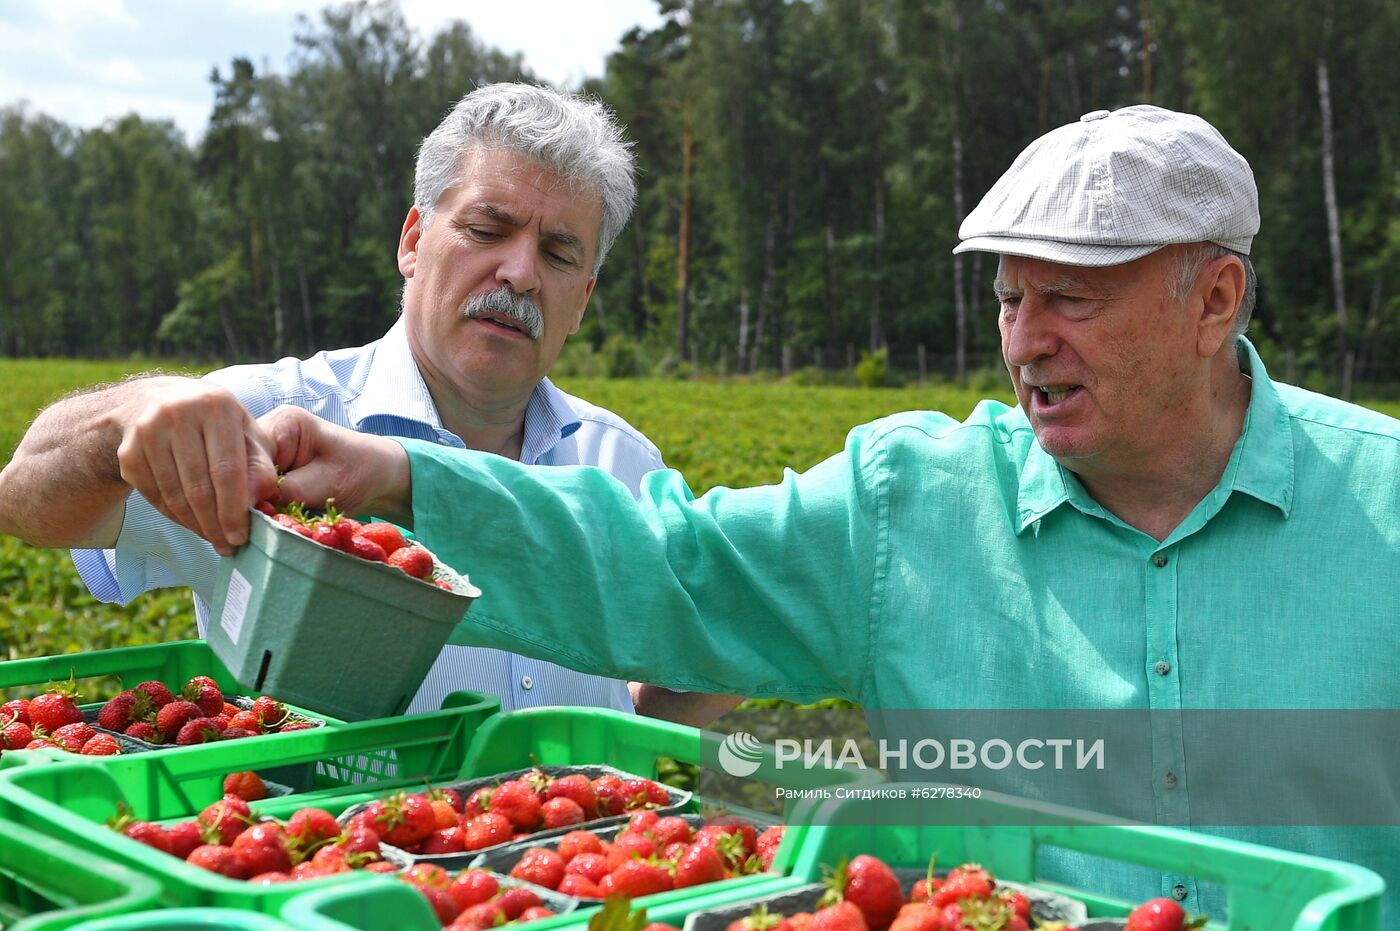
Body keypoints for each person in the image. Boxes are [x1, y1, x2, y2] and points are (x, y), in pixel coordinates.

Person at [0, 82, 740, 727]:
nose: (518, 272)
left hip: (567, 877)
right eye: (488, 230)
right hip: (325, 867)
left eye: (558, 254)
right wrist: (123, 417)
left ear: (581, 301)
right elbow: (24, 501)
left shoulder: (624, 465)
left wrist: (626, 726)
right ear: (413, 242)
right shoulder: (268, 422)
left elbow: (701, 658)